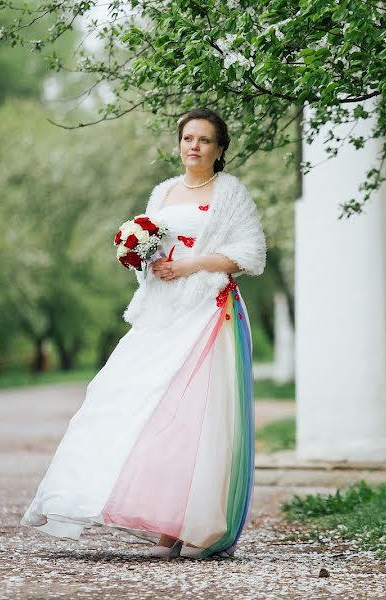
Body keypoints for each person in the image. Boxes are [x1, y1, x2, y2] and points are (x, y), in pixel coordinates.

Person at [20, 108, 266, 560]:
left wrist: (192, 264)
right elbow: (152, 246)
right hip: (162, 314)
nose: (194, 146)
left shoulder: (231, 193)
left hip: (208, 313)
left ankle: (200, 528)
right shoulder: (163, 192)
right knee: (140, 406)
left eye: (205, 140)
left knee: (196, 417)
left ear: (220, 149)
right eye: (187, 138)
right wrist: (142, 258)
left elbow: (250, 253)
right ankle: (164, 527)